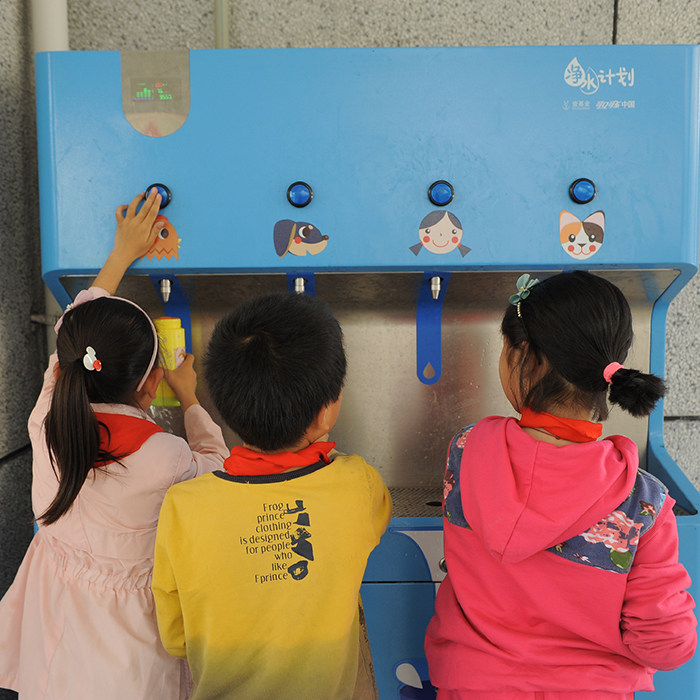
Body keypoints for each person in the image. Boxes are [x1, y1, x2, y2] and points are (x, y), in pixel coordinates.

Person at [425, 270, 697, 699]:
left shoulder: (466, 449)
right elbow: (666, 644)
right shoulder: (645, 503)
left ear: (526, 358)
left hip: (474, 687)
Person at [0, 189, 229, 699]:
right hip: (128, 649)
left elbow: (72, 332)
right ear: (153, 382)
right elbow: (218, 468)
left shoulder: (47, 415)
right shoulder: (165, 456)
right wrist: (191, 399)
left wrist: (120, 252)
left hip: (53, 625)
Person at [152, 291, 392, 700]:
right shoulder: (358, 484)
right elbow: (375, 520)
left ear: (226, 405)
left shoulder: (182, 506)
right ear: (326, 412)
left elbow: (176, 638)